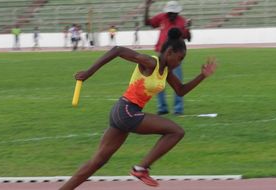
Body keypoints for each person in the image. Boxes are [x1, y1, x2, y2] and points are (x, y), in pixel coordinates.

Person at [59, 28, 216, 190]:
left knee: (97, 162)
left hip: (122, 113)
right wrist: (88, 73)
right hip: (127, 111)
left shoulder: (166, 72)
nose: (180, 63)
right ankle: (141, 169)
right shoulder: (151, 62)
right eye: (180, 58)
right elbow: (117, 50)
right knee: (176, 131)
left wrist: (202, 75)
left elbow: (180, 91)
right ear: (169, 52)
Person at [144, 0, 191, 115]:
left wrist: (188, 28)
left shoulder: (182, 21)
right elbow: (147, 22)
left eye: (174, 13)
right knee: (159, 83)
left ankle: (178, 109)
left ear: (177, 13)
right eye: (170, 13)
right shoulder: (161, 17)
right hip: (162, 54)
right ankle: (162, 108)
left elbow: (187, 37)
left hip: (175, 57)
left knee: (177, 82)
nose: (171, 15)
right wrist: (147, 7)